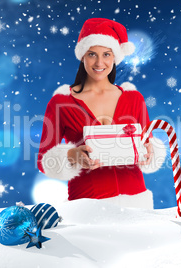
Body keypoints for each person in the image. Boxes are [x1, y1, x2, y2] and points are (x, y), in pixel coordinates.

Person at [37, 18, 166, 209]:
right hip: (88, 206)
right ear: (83, 57)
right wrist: (72, 155)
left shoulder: (134, 99)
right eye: (92, 54)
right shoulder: (61, 103)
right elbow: (44, 160)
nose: (99, 62)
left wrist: (149, 153)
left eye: (106, 54)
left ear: (115, 57)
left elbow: (148, 145)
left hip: (136, 204)